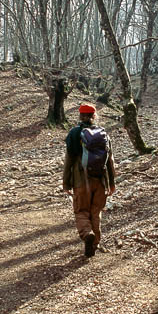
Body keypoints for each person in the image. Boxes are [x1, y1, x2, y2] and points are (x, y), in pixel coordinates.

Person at [63, 103, 116, 258]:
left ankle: (87, 235)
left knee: (81, 211)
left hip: (81, 180)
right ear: (94, 116)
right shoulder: (103, 134)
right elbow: (110, 161)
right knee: (95, 212)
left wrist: (66, 184)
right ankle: (94, 244)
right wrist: (111, 183)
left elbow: (69, 161)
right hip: (100, 180)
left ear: (80, 116)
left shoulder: (74, 134)